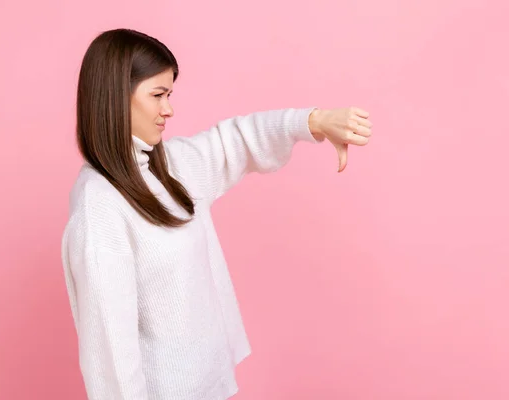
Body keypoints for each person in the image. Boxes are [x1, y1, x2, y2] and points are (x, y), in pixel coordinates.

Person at [60, 28, 372, 400]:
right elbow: (110, 350)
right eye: (157, 95)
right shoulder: (100, 206)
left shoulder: (169, 165)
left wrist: (315, 121)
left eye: (169, 94)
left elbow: (235, 140)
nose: (168, 109)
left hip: (209, 386)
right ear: (114, 98)